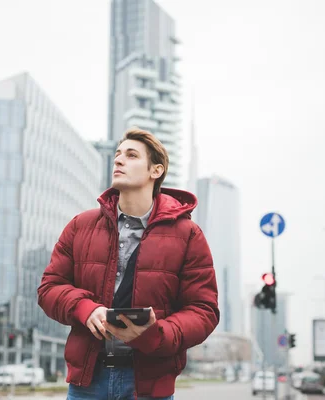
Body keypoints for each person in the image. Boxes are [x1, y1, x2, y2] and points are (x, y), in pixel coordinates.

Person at [38, 128, 220, 399]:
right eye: (118, 155)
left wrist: (155, 334)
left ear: (155, 171)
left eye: (131, 155)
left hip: (148, 385)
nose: (119, 160)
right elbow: (49, 288)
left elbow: (204, 310)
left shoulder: (188, 235)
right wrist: (86, 309)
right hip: (87, 383)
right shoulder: (80, 226)